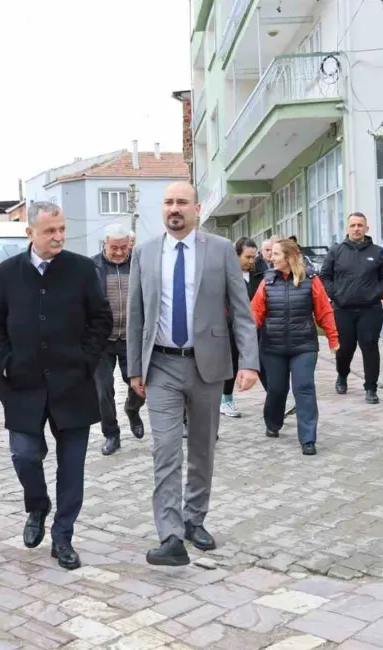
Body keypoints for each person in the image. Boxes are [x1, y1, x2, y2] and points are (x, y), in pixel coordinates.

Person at [127, 182, 259, 566]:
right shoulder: (145, 253)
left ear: (196, 209)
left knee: (202, 448)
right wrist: (134, 368)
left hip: (209, 364)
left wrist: (249, 361)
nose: (174, 208)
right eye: (168, 202)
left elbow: (241, 310)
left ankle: (194, 518)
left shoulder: (219, 249)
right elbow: (136, 314)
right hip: (161, 365)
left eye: (182, 202)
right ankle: (170, 536)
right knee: (166, 449)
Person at [0, 201, 113, 570]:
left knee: (72, 468)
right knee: (24, 455)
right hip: (23, 384)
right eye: (49, 231)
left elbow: (101, 319)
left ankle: (63, 536)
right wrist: (5, 362)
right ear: (30, 233)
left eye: (61, 229)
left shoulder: (82, 269)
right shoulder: (8, 272)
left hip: (72, 384)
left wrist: (85, 359)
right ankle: (37, 505)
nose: (58, 237)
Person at [251, 239, 339, 454]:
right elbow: (255, 313)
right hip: (273, 348)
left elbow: (324, 311)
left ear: (289, 257)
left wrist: (333, 338)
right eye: (271, 254)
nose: (271, 258)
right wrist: (246, 341)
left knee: (304, 388)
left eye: (276, 254)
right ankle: (273, 423)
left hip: (304, 346)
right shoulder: (267, 281)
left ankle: (308, 439)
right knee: (277, 389)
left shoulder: (311, 280)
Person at [320, 213, 383, 404]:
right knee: (344, 348)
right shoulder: (336, 251)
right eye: (353, 225)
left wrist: (377, 293)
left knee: (369, 346)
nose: (356, 229)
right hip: (343, 309)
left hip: (370, 309)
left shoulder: (377, 252)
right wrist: (335, 294)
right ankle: (342, 375)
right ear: (347, 228)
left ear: (366, 229)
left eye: (360, 225)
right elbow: (325, 276)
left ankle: (371, 388)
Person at [92, 223, 146, 456]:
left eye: (123, 247)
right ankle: (111, 434)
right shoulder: (92, 266)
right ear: (105, 244)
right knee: (103, 390)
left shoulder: (139, 263)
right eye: (114, 247)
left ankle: (132, 409)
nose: (119, 252)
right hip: (102, 340)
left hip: (132, 338)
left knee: (139, 387)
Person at [220, 237, 266, 418]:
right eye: (247, 257)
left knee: (263, 362)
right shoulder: (226, 274)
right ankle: (226, 400)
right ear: (236, 255)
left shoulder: (262, 273)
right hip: (230, 326)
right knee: (230, 363)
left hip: (257, 327)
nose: (251, 261)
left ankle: (276, 399)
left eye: (254, 257)